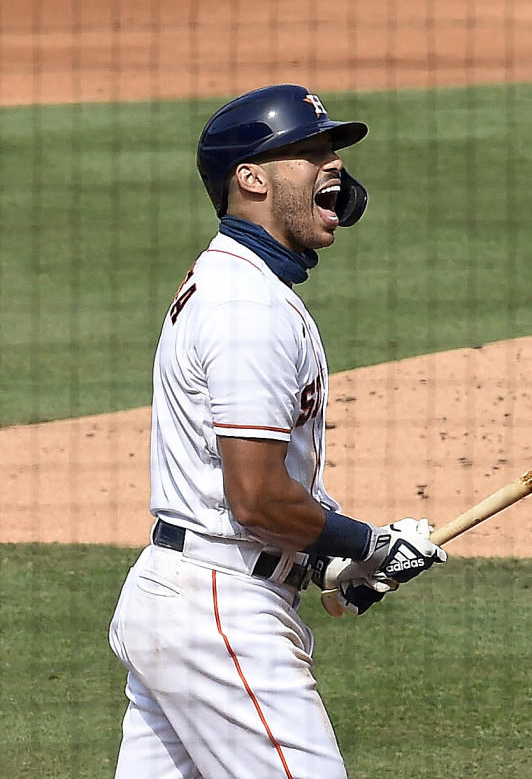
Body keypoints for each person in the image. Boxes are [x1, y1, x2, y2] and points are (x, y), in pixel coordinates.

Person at [108, 84, 447, 779]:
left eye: (334, 153)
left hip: (184, 595)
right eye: (310, 151)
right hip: (218, 613)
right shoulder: (248, 307)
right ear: (251, 178)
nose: (334, 169)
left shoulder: (230, 280)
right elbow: (257, 500)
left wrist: (323, 559)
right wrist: (369, 543)